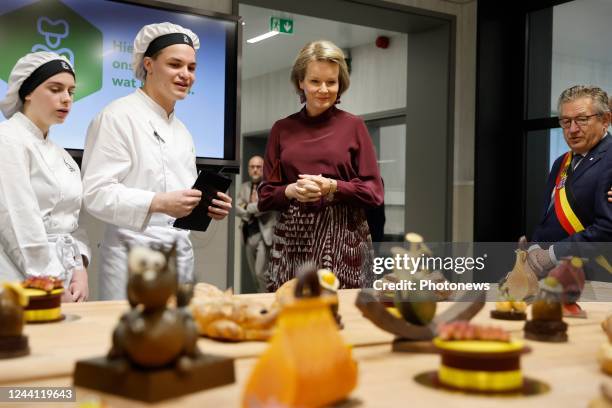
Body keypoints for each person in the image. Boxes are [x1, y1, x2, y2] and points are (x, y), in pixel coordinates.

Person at [81, 23, 231, 300]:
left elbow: (182, 196)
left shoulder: (183, 131)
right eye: (175, 64)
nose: (185, 75)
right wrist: (157, 202)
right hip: (132, 255)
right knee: (133, 339)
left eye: (192, 67)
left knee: (177, 336)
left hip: (179, 253)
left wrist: (207, 206)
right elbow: (95, 193)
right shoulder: (117, 117)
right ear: (148, 64)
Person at [258, 40, 384, 291]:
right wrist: (290, 190)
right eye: (315, 81)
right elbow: (265, 195)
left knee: (347, 316)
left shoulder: (354, 126)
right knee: (292, 314)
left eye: (332, 82)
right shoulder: (282, 129)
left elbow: (374, 192)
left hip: (345, 236)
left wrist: (333, 186)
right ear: (300, 83)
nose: (324, 89)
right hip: (294, 239)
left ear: (341, 84)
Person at [0, 52, 90, 301]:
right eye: (55, 89)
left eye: (71, 91)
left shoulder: (64, 157)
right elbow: (17, 221)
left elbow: (72, 221)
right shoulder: (7, 140)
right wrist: (48, 282)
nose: (66, 99)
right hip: (18, 278)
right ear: (27, 92)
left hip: (64, 277)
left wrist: (79, 270)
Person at [527, 85, 612, 275]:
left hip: (595, 277)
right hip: (553, 276)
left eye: (582, 120)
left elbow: (607, 229)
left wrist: (551, 255)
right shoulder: (561, 161)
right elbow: (547, 217)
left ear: (605, 119)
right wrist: (534, 248)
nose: (572, 129)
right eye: (566, 121)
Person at [235, 155, 278, 292]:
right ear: (248, 169)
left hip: (264, 235)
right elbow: (235, 207)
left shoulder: (269, 187)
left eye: (258, 167)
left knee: (261, 273)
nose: (255, 170)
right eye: (252, 167)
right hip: (248, 234)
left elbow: (263, 207)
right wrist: (250, 209)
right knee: (254, 274)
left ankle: (266, 300)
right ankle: (260, 297)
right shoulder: (244, 187)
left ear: (264, 169)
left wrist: (247, 207)